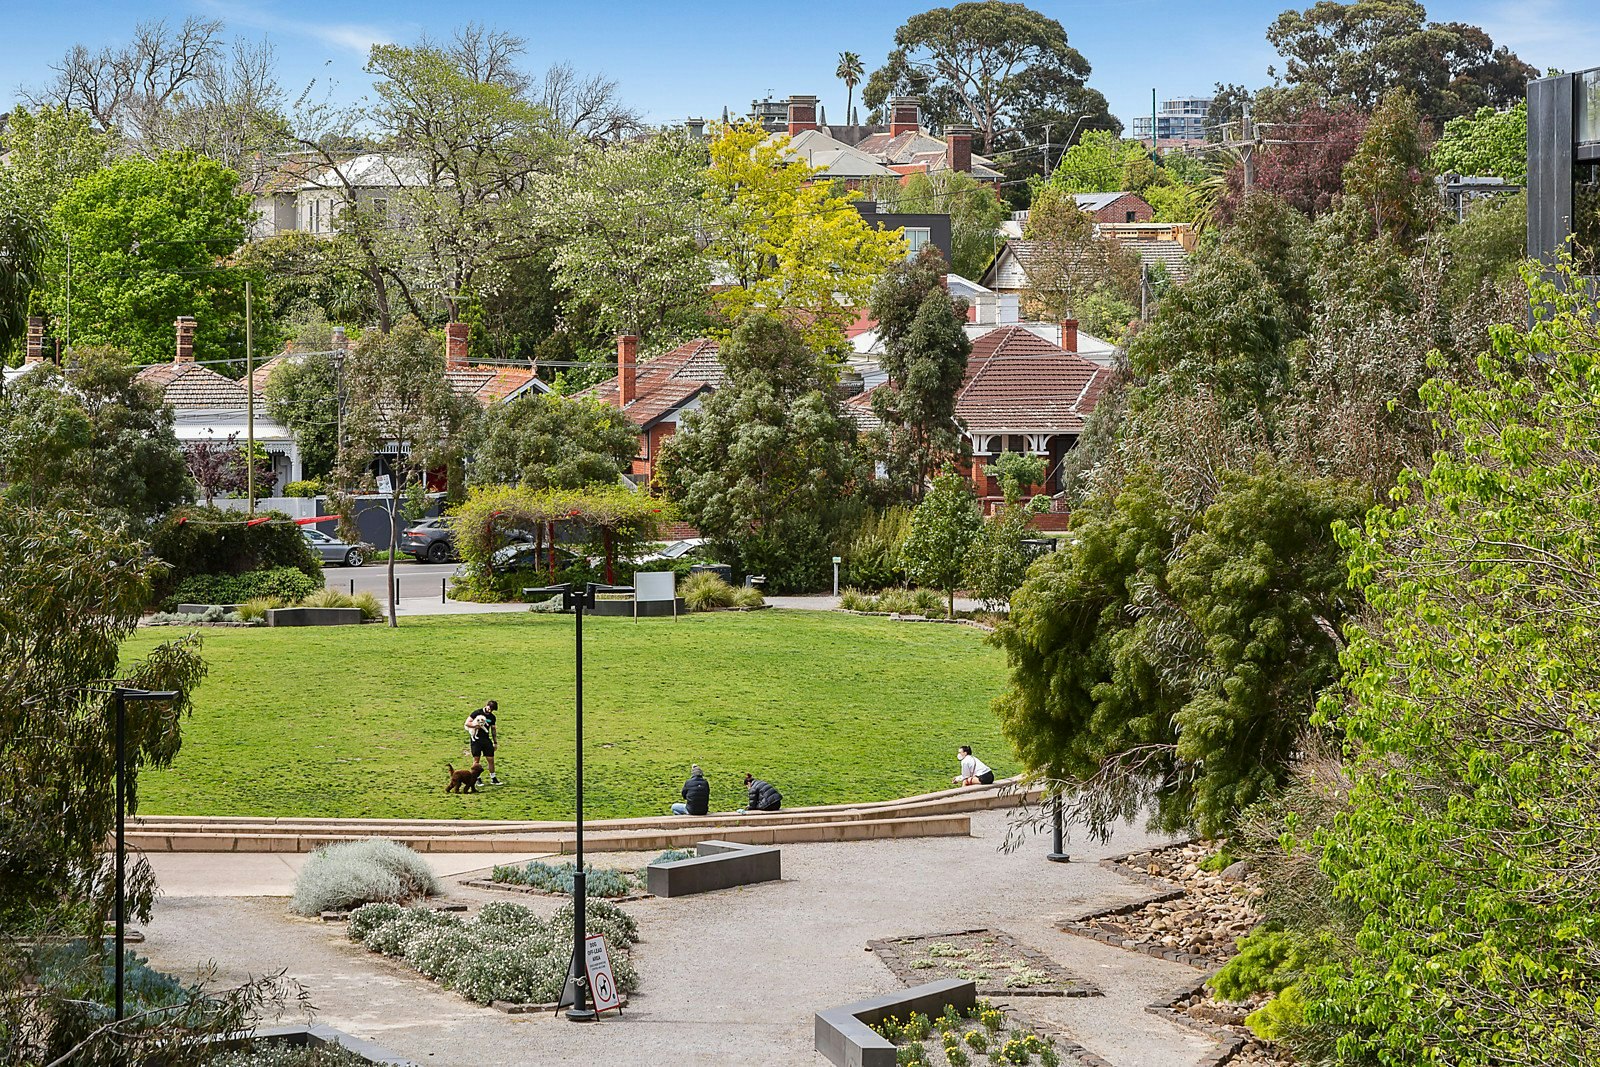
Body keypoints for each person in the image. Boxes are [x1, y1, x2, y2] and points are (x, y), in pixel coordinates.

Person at [464, 700, 502, 785]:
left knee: (491, 759)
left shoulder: (492, 717)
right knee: (476, 760)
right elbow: (467, 723)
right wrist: (475, 726)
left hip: (486, 739)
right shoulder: (477, 713)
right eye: (490, 708)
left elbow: (493, 729)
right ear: (487, 705)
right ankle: (476, 778)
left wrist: (495, 742)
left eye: (492, 709)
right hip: (476, 740)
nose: (490, 710)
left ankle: (493, 778)